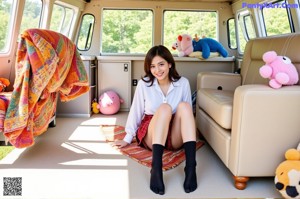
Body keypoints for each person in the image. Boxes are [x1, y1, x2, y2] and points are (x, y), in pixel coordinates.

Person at [113, 45, 197, 195]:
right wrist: (127, 137)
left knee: (184, 106)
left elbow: (187, 116)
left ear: (170, 64)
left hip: (173, 133)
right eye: (152, 66)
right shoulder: (144, 84)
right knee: (165, 108)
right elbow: (136, 111)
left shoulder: (182, 83)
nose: (157, 70)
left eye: (161, 64)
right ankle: (156, 169)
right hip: (151, 130)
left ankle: (191, 167)